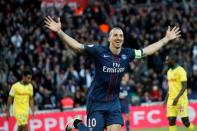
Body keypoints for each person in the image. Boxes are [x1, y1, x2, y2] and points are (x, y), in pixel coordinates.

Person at [44, 16, 181, 131]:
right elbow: (77, 47)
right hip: (96, 102)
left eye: (121, 35)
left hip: (114, 103)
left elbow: (146, 51)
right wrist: (60, 32)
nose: (118, 37)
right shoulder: (99, 51)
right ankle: (76, 122)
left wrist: (166, 39)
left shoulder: (128, 54)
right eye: (115, 35)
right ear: (109, 38)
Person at [163, 52, 195, 131]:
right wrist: (166, 100)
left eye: (167, 61)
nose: (166, 62)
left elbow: (184, 86)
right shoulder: (169, 72)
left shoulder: (181, 71)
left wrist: (177, 98)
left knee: (186, 122)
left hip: (181, 100)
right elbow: (170, 88)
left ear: (173, 60)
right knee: (171, 120)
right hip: (171, 99)